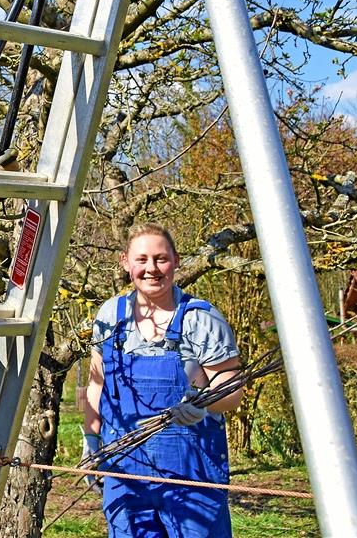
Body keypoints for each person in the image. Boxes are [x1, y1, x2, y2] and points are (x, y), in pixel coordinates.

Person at [83, 223, 245, 538]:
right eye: (141, 259)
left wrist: (204, 404)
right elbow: (96, 384)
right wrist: (91, 442)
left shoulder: (202, 318)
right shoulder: (110, 317)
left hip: (192, 475)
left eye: (161, 259)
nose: (151, 268)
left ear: (176, 260)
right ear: (125, 262)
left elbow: (231, 387)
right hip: (124, 471)